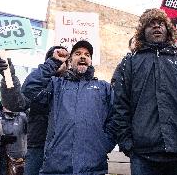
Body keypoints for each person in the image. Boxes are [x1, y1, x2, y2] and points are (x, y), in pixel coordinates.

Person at [105, 8, 177, 175]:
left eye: (161, 23)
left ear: (168, 29)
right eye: (151, 24)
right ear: (142, 31)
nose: (156, 27)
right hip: (144, 155)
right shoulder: (129, 63)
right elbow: (120, 105)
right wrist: (128, 144)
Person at [22, 40, 115, 175]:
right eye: (78, 53)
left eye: (87, 55)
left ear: (90, 61)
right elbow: (29, 89)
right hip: (56, 166)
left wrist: (104, 144)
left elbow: (116, 118)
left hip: (93, 167)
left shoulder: (104, 88)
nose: (83, 56)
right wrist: (53, 62)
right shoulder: (56, 84)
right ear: (70, 61)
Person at [0, 45, 67, 175]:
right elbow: (15, 104)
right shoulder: (37, 84)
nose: (59, 61)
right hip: (37, 147)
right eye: (55, 59)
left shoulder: (74, 86)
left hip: (64, 148)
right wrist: (8, 76)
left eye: (63, 59)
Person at [0, 102, 27, 175]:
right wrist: (1, 139)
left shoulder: (23, 117)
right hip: (2, 157)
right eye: (6, 104)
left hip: (20, 157)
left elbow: (32, 130)